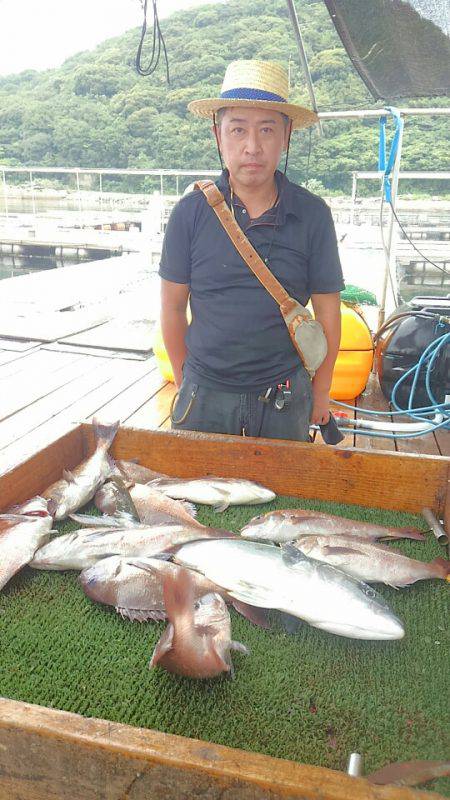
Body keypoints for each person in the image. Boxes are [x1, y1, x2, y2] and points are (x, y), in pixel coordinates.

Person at [159, 59, 344, 441]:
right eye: (238, 129)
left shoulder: (313, 214)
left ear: (286, 135)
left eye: (267, 130)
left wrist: (321, 392)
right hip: (203, 393)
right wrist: (185, 381)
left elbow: (328, 312)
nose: (252, 147)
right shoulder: (189, 213)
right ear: (218, 135)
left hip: (285, 395)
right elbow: (173, 307)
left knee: (283, 482)